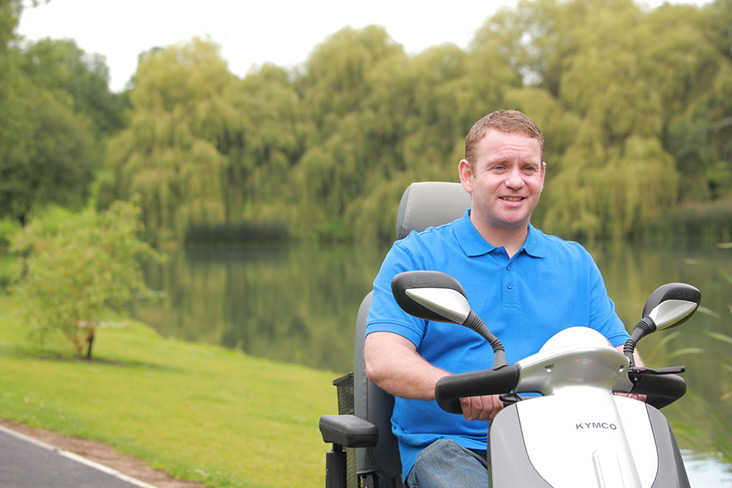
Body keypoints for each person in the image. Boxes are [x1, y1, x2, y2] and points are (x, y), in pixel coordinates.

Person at [364, 109, 644, 488]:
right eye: (499, 167)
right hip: (454, 447)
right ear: (468, 174)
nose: (515, 181)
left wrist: (636, 379)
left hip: (563, 444)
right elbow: (383, 360)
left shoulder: (575, 262)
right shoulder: (416, 256)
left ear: (542, 175)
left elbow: (619, 352)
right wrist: (463, 385)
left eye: (527, 169)